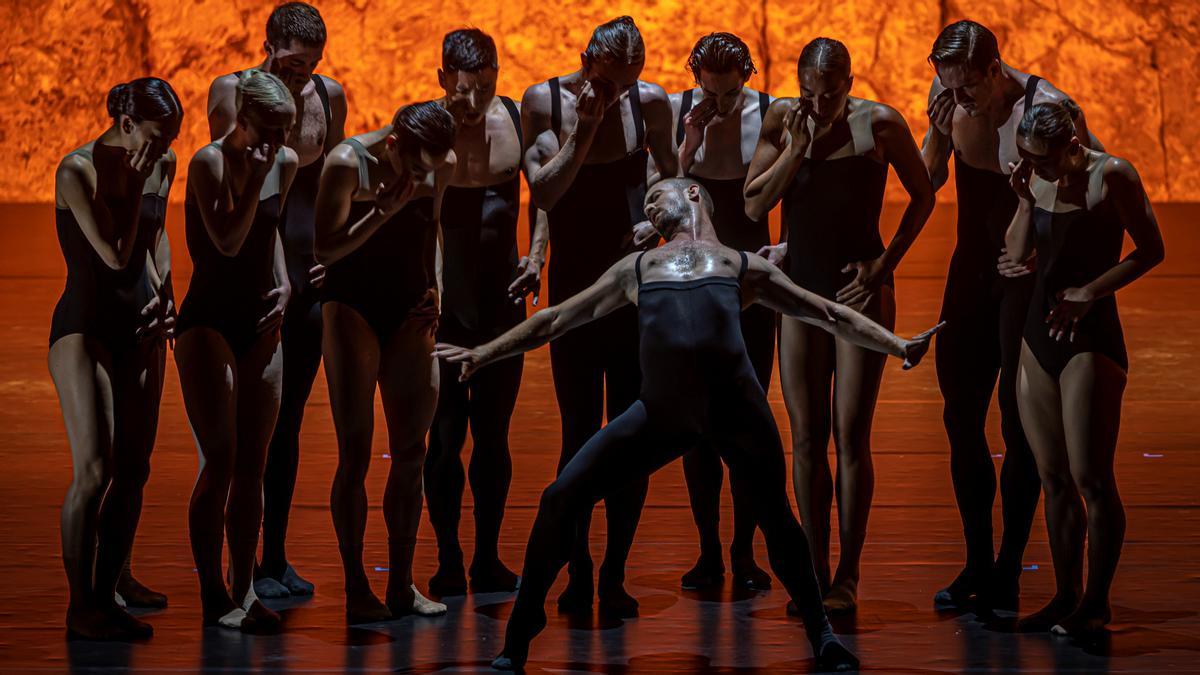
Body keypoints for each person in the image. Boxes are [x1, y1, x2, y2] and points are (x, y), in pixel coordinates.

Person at [435, 178, 943, 672]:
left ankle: (824, 638)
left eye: (658, 197)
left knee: (780, 524)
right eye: (647, 203)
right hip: (662, 413)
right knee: (560, 498)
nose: (650, 209)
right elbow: (555, 320)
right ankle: (518, 642)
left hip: (737, 412)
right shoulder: (638, 266)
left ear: (694, 194)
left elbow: (829, 313)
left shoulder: (741, 265)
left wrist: (897, 344)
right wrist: (484, 353)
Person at [745, 38, 934, 614]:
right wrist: (796, 151)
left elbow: (923, 196)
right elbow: (754, 206)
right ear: (798, 83)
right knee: (805, 438)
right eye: (810, 91)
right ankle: (815, 568)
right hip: (799, 290)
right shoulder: (782, 119)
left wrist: (885, 265)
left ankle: (848, 575)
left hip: (860, 290)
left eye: (832, 91)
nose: (820, 102)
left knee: (850, 436)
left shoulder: (880, 124)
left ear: (850, 82)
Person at [921, 19, 1102, 612]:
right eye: (949, 87)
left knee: (1017, 422)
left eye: (969, 88)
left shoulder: (1046, 108)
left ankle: (1008, 567)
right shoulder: (947, 98)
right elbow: (930, 180)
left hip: (1026, 277)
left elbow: (1092, 187)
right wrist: (935, 135)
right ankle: (976, 557)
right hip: (971, 266)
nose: (960, 99)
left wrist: (1061, 268)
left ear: (995, 70)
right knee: (959, 414)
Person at [519, 15, 677, 615]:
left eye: (629, 83)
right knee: (579, 431)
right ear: (587, 64)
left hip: (635, 289)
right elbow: (545, 193)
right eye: (610, 83)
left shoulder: (651, 103)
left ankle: (614, 571)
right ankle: (578, 568)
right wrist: (583, 133)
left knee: (634, 433)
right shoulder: (546, 102)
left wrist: (657, 218)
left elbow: (672, 172)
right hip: (576, 289)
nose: (619, 95)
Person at [1000, 101, 1163, 634]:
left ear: (1073, 148)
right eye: (1027, 159)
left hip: (1090, 339)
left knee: (1090, 477)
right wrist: (1024, 200)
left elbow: (1152, 249)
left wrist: (1091, 292)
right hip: (1037, 336)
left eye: (1044, 162)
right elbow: (1015, 254)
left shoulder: (1111, 175)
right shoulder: (1035, 178)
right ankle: (1065, 594)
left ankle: (1097, 601)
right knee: (1052, 478)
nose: (1036, 169)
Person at [207, 0, 347, 599]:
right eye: (290, 65)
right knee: (238, 430)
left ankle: (274, 558)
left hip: (304, 268)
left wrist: (331, 257)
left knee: (286, 422)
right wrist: (268, 269)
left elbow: (330, 183)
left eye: (309, 67)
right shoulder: (234, 90)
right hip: (250, 265)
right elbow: (228, 184)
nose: (299, 78)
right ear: (267, 47)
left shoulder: (328, 96)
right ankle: (230, 567)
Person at [314, 101, 457, 623]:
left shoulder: (442, 164)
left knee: (412, 450)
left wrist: (437, 285)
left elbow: (433, 227)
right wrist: (380, 212)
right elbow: (324, 249)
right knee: (355, 450)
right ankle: (356, 584)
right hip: (352, 305)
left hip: (409, 305)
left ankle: (402, 583)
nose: (423, 177)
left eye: (432, 168)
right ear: (394, 146)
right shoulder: (347, 164)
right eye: (414, 167)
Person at [51, 77, 182, 640]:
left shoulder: (161, 158)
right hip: (86, 328)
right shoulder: (76, 170)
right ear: (127, 125)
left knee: (135, 468)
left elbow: (154, 240)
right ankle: (82, 605)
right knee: (95, 471)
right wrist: (130, 184)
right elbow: (113, 253)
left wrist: (168, 294)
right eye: (155, 137)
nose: (162, 148)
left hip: (140, 328)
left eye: (170, 139)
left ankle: (111, 587)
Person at [423, 28, 550, 597]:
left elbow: (543, 193)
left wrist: (538, 254)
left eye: (484, 87)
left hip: (501, 302)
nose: (472, 102)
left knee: (493, 438)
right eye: (463, 89)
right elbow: (407, 208)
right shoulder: (428, 126)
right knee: (445, 437)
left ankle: (487, 558)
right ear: (443, 79)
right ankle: (448, 557)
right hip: (445, 309)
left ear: (497, 75)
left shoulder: (518, 120)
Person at [176, 69, 298, 632]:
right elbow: (225, 240)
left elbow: (268, 231)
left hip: (260, 317)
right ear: (240, 118)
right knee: (220, 460)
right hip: (209, 320)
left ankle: (245, 588)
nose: (274, 144)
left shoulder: (284, 162)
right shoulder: (210, 162)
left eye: (283, 132)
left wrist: (285, 282)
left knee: (255, 463)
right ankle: (211, 591)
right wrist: (254, 176)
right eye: (264, 131)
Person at [667, 31, 775, 592]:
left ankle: (744, 550)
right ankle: (709, 549)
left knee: (749, 416)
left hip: (751, 268)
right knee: (700, 422)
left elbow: (773, 191)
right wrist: (691, 141)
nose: (722, 103)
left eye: (730, 94)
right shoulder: (684, 112)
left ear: (747, 77)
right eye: (710, 92)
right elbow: (668, 191)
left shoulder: (769, 112)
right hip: (697, 273)